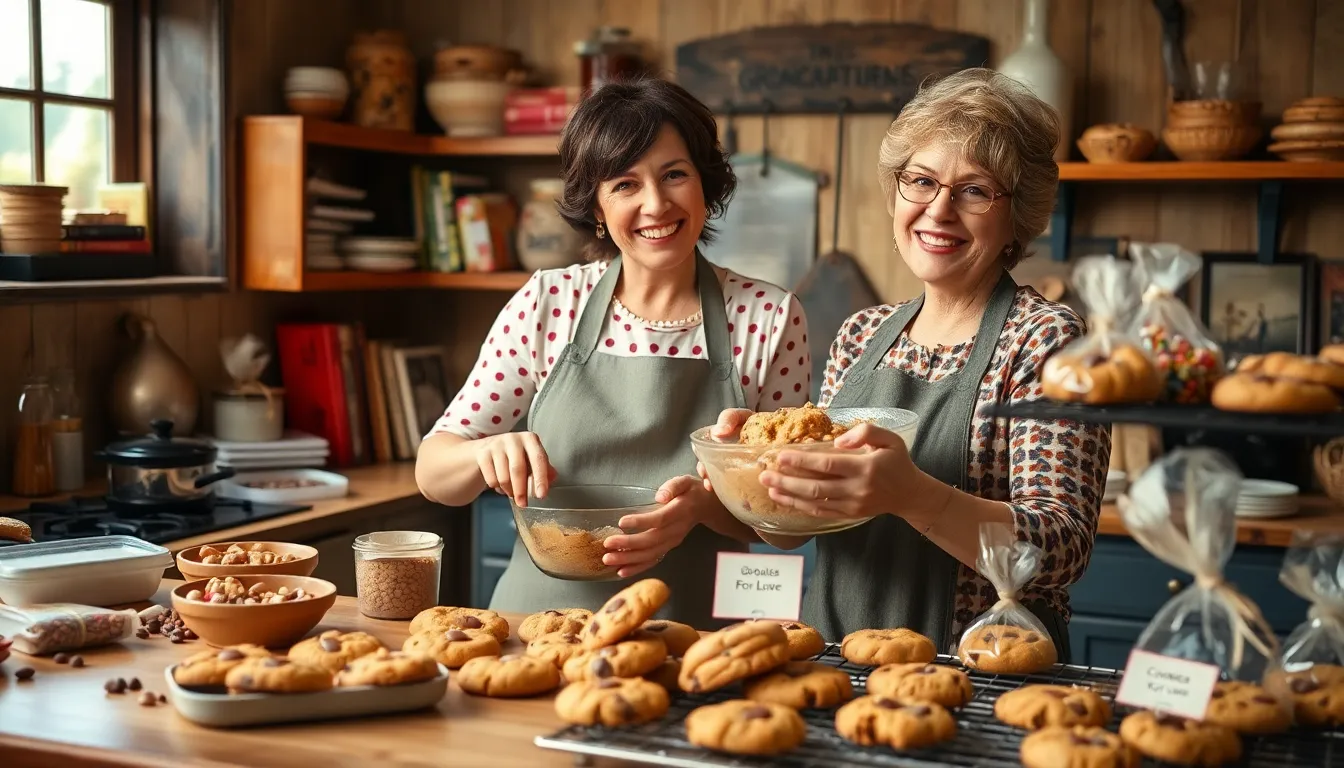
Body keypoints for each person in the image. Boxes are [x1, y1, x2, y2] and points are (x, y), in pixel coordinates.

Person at [704, 69, 1111, 658]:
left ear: (1015, 217)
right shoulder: (861, 333)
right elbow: (798, 527)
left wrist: (910, 493)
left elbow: (1060, 551)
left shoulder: (1048, 339)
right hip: (840, 656)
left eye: (974, 191)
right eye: (921, 181)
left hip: (978, 666)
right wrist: (750, 473)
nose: (938, 211)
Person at [416, 77, 813, 626]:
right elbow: (434, 474)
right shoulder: (548, 303)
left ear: (705, 185)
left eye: (674, 174)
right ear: (597, 207)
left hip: (689, 639)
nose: (656, 203)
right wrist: (483, 455)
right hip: (539, 632)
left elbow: (787, 522)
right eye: (625, 184)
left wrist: (704, 507)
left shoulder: (768, 318)